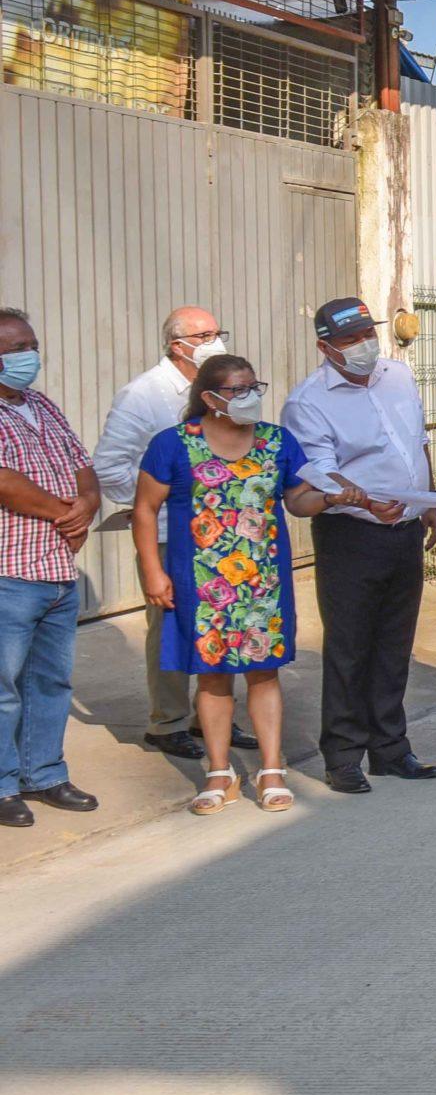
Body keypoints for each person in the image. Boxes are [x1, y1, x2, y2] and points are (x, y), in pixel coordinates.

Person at [133, 354, 324, 815]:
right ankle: (220, 773)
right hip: (202, 584)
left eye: (254, 387)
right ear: (209, 398)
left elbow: (298, 500)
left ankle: (271, 770)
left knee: (264, 673)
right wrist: (154, 571)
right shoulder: (174, 443)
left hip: (263, 583)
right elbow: (144, 509)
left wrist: (332, 497)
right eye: (238, 390)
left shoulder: (277, 441)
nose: (249, 397)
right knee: (212, 675)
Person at [282, 296, 436, 793]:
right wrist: (368, 504)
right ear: (325, 348)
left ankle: (391, 748)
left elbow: (416, 442)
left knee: (395, 644)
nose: (363, 346)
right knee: (350, 646)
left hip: (405, 529)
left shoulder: (398, 376)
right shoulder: (308, 402)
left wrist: (430, 498)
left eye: (367, 334)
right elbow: (320, 473)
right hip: (351, 535)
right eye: (350, 340)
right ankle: (344, 754)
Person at [92, 305, 243, 759]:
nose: (216, 342)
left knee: (223, 620)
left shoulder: (223, 388)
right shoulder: (144, 395)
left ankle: (213, 714)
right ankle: (168, 722)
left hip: (222, 531)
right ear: (178, 346)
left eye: (218, 332)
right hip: (168, 534)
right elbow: (109, 466)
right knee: (172, 626)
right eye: (204, 335)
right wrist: (158, 499)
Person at [0, 307, 100, 830]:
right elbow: (5, 483)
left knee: (51, 683)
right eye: (16, 349)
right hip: (10, 572)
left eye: (31, 345)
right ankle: (2, 784)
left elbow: (83, 466)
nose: (29, 356)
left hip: (57, 571)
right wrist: (68, 514)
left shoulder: (42, 405)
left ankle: (43, 773)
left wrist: (88, 503)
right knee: (3, 688)